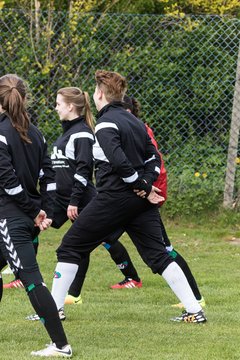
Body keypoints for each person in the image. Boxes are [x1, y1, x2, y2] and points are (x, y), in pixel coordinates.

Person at [50, 69, 207, 324]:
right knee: (158, 255)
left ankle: (53, 310)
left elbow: (119, 161)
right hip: (138, 201)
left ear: (100, 93)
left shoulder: (105, 123)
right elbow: (153, 158)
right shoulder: (134, 120)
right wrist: (145, 185)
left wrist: (141, 186)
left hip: (115, 198)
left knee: (69, 247)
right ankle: (194, 311)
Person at [26, 86, 142, 323]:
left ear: (70, 106)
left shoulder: (82, 133)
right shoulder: (65, 134)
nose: (55, 107)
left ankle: (130, 278)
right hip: (63, 200)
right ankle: (46, 285)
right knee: (35, 229)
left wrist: (75, 201)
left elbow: (83, 171)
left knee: (103, 239)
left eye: (58, 103)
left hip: (81, 199)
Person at [0, 74, 72, 357]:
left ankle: (61, 345)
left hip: (11, 219)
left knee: (31, 280)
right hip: (25, 219)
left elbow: (8, 182)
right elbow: (49, 178)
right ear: (24, 98)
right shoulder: (37, 133)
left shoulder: (3, 134)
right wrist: (47, 210)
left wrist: (36, 211)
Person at [122, 95, 205, 309]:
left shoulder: (138, 129)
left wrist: (147, 188)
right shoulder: (130, 128)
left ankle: (195, 299)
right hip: (133, 196)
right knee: (94, 241)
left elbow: (152, 163)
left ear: (128, 112)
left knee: (165, 250)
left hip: (147, 195)